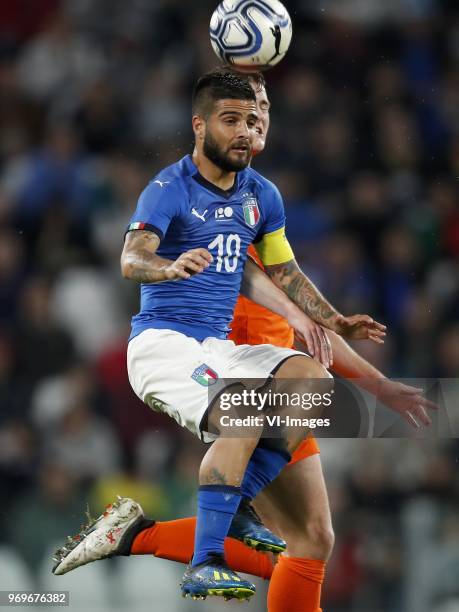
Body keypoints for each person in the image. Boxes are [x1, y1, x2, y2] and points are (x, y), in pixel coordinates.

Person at [52, 70, 392, 605]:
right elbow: (131, 256)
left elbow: (278, 272)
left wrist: (328, 318)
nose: (244, 131)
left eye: (253, 120)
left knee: (313, 385)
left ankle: (223, 513)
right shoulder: (169, 187)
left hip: (220, 349)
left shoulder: (261, 195)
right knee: (249, 416)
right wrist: (166, 268)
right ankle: (205, 559)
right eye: (230, 119)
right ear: (199, 125)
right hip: (166, 344)